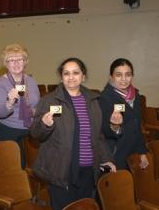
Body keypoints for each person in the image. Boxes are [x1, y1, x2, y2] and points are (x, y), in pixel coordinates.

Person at [30, 57, 116, 210]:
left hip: (88, 170)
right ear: (61, 77)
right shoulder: (49, 100)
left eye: (75, 73)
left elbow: (98, 136)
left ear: (83, 76)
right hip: (61, 170)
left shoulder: (94, 100)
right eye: (66, 73)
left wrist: (107, 159)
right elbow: (35, 134)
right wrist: (44, 124)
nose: (71, 77)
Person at [0, 43, 40, 168]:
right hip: (8, 131)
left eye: (20, 59)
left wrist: (35, 111)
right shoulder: (1, 83)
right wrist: (9, 102)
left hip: (29, 130)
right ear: (5, 63)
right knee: (13, 169)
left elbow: (38, 104)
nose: (16, 63)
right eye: (11, 60)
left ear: (25, 62)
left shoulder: (31, 81)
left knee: (34, 166)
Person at [99, 58, 149, 170]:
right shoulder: (105, 98)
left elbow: (137, 126)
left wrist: (142, 152)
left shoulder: (135, 95)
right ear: (111, 76)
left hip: (132, 154)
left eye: (128, 74)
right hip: (115, 155)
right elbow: (104, 132)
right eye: (118, 75)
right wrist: (115, 126)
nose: (124, 79)